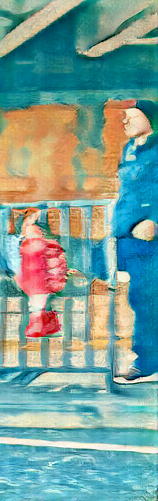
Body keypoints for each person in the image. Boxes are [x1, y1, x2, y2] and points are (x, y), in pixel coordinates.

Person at [113, 100, 158, 384]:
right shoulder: (129, 149)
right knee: (138, 296)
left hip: (148, 238)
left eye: (132, 116)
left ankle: (147, 362)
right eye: (125, 117)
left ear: (150, 119)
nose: (125, 121)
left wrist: (155, 220)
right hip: (124, 234)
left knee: (146, 298)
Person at [13, 208, 68, 338]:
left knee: (37, 303)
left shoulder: (27, 238)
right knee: (38, 303)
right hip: (36, 277)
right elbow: (38, 249)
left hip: (34, 277)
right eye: (33, 217)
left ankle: (39, 328)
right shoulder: (31, 237)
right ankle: (37, 328)